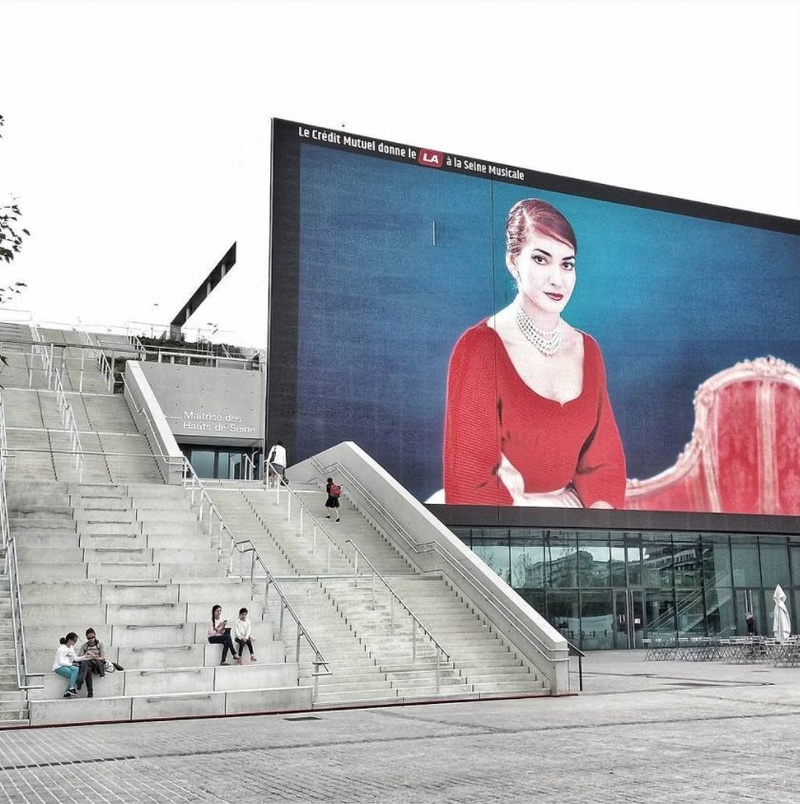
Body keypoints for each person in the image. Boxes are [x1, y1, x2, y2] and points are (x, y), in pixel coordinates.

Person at [443, 198, 626, 508]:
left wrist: (596, 528)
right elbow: (468, 483)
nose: (558, 279)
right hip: (503, 529)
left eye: (567, 264)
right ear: (513, 262)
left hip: (574, 520)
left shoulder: (588, 350)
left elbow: (604, 467)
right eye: (541, 259)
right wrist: (534, 516)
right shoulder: (480, 348)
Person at [52, 632, 86, 698]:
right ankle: (70, 690)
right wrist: (71, 664)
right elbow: (60, 662)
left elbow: (76, 658)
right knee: (74, 673)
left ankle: (68, 691)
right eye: (74, 641)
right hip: (58, 667)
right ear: (70, 640)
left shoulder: (71, 648)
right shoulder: (61, 649)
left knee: (75, 672)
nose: (75, 643)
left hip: (67, 666)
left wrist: (85, 656)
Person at [77, 627, 106, 697]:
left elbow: (103, 657)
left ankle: (80, 680)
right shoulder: (84, 646)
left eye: (92, 637)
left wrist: (96, 657)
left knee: (86, 664)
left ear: (95, 636)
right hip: (87, 664)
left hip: (97, 664)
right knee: (87, 668)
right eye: (88, 638)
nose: (91, 639)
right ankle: (90, 692)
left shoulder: (100, 644)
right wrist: (87, 654)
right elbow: (79, 657)